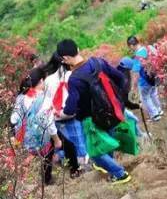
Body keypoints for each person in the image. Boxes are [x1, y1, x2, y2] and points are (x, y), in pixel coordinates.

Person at [57, 39, 132, 185]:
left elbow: (71, 107)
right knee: (107, 145)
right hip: (112, 112)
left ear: (65, 58)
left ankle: (120, 174)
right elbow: (120, 77)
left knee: (95, 153)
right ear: (77, 48)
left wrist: (62, 113)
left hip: (91, 121)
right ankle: (108, 168)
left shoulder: (74, 79)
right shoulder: (98, 62)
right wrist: (118, 100)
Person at [10, 67, 64, 186]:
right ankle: (47, 180)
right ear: (40, 81)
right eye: (44, 80)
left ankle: (23, 179)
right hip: (42, 137)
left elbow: (13, 119)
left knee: (31, 156)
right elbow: (49, 123)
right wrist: (57, 140)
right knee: (47, 157)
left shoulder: (20, 97)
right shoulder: (45, 99)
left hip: (25, 137)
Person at [42, 51, 87, 177]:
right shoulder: (72, 75)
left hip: (55, 116)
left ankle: (65, 162)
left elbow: (46, 100)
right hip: (71, 113)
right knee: (78, 139)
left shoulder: (48, 80)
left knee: (63, 142)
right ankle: (80, 163)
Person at [127, 36, 163, 122]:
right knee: (153, 94)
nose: (130, 49)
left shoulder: (137, 56)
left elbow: (136, 73)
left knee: (145, 97)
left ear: (132, 46)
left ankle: (155, 115)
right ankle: (159, 110)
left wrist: (133, 87)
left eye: (129, 47)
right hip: (153, 77)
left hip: (144, 81)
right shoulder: (146, 49)